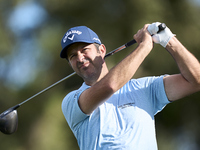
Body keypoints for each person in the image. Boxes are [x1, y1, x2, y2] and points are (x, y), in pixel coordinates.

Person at [60, 22, 200, 150]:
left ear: (102, 50)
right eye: (72, 56)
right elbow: (110, 85)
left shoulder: (145, 87)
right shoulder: (71, 102)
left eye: (84, 49)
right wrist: (144, 47)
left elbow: (195, 80)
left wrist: (168, 39)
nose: (79, 58)